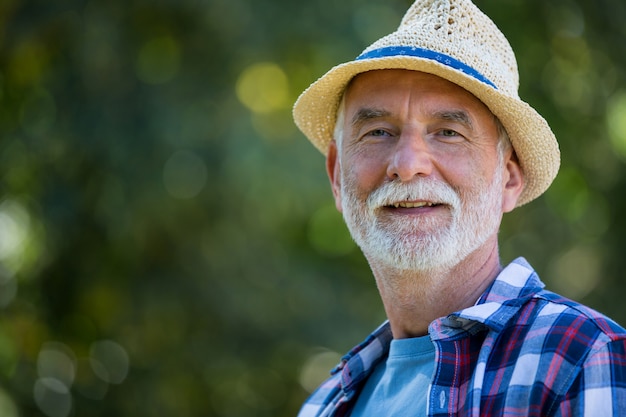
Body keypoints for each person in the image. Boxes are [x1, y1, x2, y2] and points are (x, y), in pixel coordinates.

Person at [292, 0, 626, 416]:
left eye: (448, 132)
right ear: (336, 175)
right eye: (377, 131)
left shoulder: (583, 359)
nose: (408, 165)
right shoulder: (324, 405)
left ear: (509, 177)